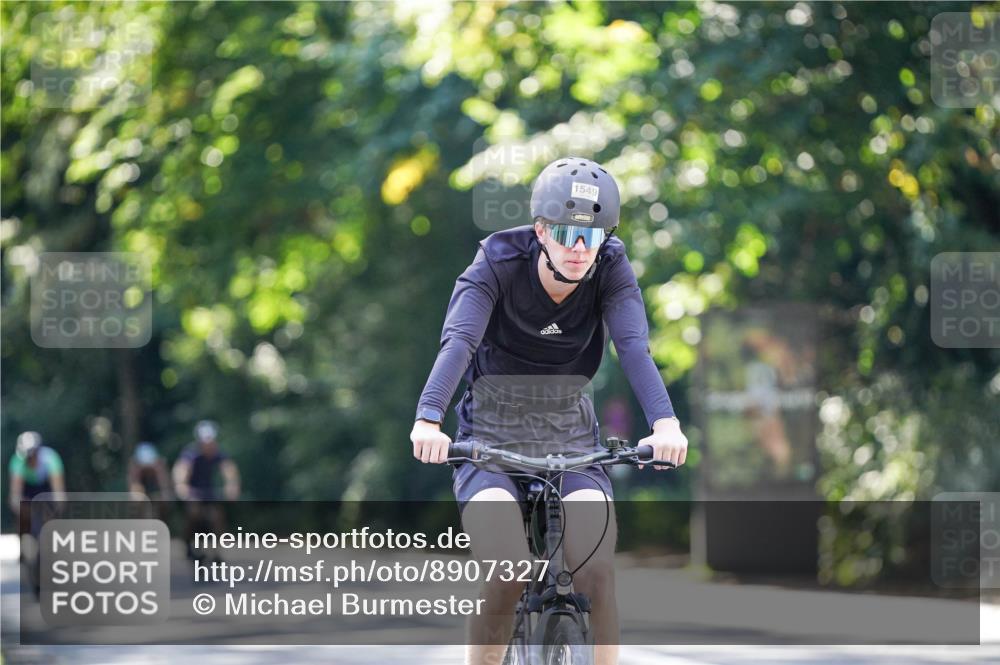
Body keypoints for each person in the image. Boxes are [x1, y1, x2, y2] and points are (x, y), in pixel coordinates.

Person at [411, 157, 689, 665]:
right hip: (489, 436)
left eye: (594, 235)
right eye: (566, 233)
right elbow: (460, 342)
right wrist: (429, 418)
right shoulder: (496, 261)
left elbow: (632, 346)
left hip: (571, 435)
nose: (581, 249)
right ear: (541, 230)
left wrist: (665, 422)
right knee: (508, 570)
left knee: (597, 572)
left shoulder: (611, 266)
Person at [172, 421, 240, 561]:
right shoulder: (191, 452)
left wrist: (232, 485)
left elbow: (228, 469)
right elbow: (182, 469)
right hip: (193, 490)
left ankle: (216, 552)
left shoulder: (218, 452)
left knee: (217, 517)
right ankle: (188, 543)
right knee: (194, 513)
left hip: (209, 490)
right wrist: (181, 485)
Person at [128, 441, 173, 520]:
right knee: (138, 501)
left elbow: (165, 487)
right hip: (144, 495)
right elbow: (134, 487)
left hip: (156, 494)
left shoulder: (160, 466)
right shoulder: (134, 467)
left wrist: (163, 496)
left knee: (163, 501)